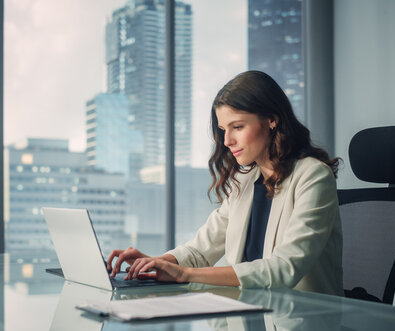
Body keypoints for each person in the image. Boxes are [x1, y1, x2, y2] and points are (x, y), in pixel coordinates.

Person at [106, 70, 343, 295]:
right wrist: (157, 262)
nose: (227, 140)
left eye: (238, 127)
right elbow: (200, 250)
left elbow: (284, 268)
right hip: (247, 317)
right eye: (222, 130)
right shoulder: (245, 180)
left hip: (300, 323)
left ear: (272, 120)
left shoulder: (314, 176)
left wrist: (184, 274)